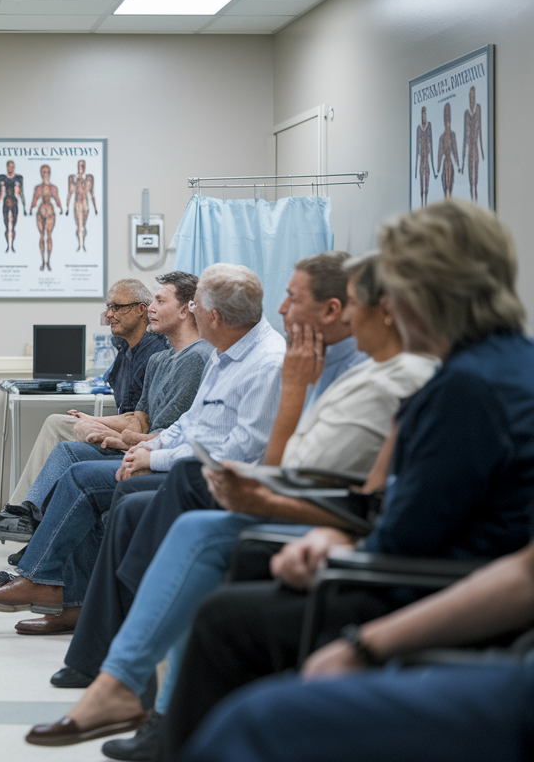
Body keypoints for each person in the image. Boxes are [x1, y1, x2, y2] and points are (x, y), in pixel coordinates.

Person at [158, 200, 534, 760]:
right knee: (252, 562)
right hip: (462, 572)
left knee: (224, 620)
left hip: (432, 590)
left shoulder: (462, 390)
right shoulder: (510, 365)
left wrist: (338, 547)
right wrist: (340, 536)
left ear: (421, 295)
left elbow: (404, 538)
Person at [29, 252, 436, 758]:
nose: (280, 308)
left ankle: (126, 680)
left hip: (302, 511)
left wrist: (174, 458)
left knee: (180, 505)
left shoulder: (356, 374)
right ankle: (117, 671)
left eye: (293, 297)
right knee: (150, 499)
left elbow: (291, 466)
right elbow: (218, 435)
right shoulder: (313, 363)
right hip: (289, 496)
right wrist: (153, 448)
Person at [0, 264, 284, 626]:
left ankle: (45, 578)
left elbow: (228, 449)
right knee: (76, 463)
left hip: (207, 475)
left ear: (206, 313)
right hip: (175, 455)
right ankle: (53, 582)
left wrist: (147, 451)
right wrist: (144, 446)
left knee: (83, 476)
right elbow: (183, 422)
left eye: (161, 301)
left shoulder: (242, 360)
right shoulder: (209, 355)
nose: (115, 314)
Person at [185, 527, 534, 762]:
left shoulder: (460, 417)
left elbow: (406, 532)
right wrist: (334, 534)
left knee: (257, 722)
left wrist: (362, 645)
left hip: (409, 586)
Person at [0, 275, 184, 543]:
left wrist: (96, 422)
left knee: (57, 426)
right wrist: (96, 421)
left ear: (141, 309)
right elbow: (132, 413)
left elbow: (140, 422)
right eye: (108, 308)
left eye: (117, 307)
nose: (110, 314)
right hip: (131, 430)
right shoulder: (127, 352)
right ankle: (22, 514)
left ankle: (21, 514)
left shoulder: (155, 355)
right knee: (58, 422)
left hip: (142, 441)